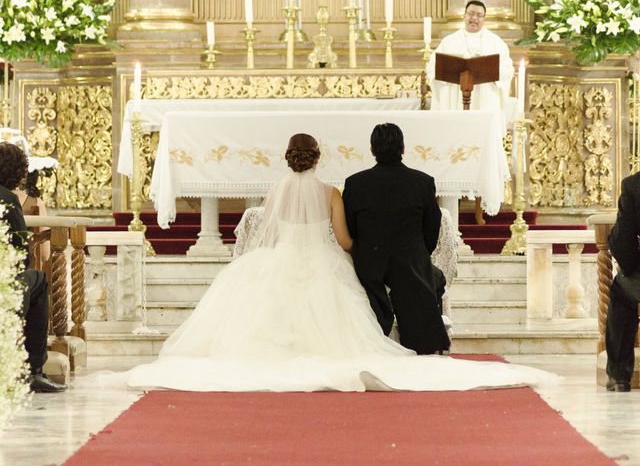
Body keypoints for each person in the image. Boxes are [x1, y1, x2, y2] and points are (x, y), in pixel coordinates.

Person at [115, 133, 556, 392]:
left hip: (279, 260)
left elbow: (266, 235)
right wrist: (345, 251)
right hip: (321, 261)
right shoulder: (330, 192)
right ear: (317, 158)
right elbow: (344, 239)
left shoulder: (274, 193)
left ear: (287, 158)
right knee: (345, 303)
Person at [342, 123, 450, 355]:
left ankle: (376, 338)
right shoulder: (422, 182)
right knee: (429, 281)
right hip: (410, 261)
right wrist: (419, 253)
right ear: (403, 148)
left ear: (372, 150)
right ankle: (421, 343)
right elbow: (432, 224)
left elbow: (350, 228)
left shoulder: (355, 183)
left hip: (369, 264)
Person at [427, 0, 514, 225]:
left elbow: (506, 70)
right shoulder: (449, 42)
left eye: (479, 15)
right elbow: (432, 67)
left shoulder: (496, 43)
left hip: (482, 109)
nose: (474, 18)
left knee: (481, 154)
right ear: (464, 16)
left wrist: (488, 71)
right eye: (470, 14)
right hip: (455, 108)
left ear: (484, 19)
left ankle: (480, 208)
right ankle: (448, 208)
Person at [0, 142, 66, 393]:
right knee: (38, 279)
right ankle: (34, 370)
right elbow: (19, 248)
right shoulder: (7, 199)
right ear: (17, 173)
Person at [605, 170, 640, 393]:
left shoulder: (633, 185)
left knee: (621, 293)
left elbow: (622, 239)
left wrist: (630, 268)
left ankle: (619, 376)